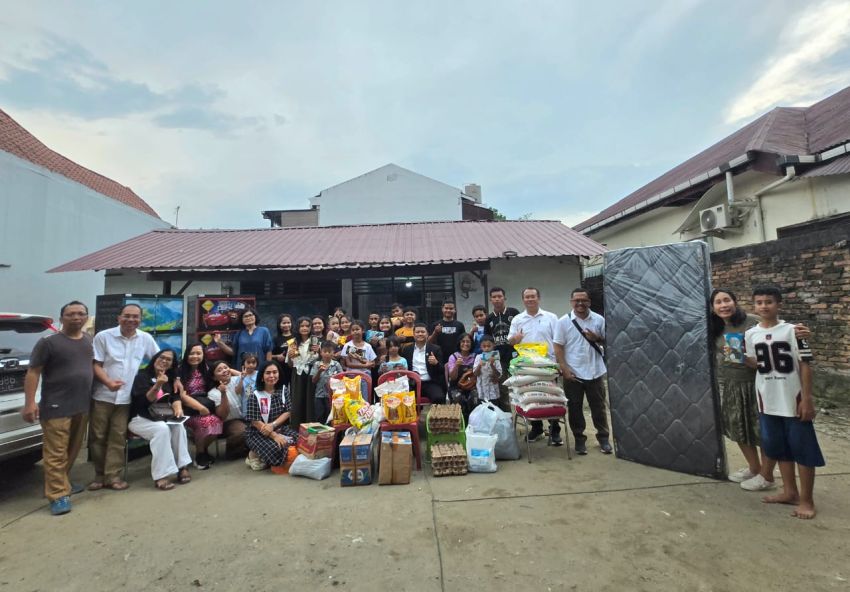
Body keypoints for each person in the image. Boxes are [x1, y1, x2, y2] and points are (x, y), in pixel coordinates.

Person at [710, 289, 810, 491]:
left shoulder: (753, 322)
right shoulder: (715, 327)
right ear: (713, 308)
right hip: (731, 384)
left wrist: (802, 334)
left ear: (735, 301)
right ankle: (754, 468)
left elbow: (779, 332)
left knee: (762, 431)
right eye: (718, 302)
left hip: (758, 383)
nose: (723, 305)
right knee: (738, 428)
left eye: (727, 300)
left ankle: (766, 474)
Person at [744, 286, 824, 519]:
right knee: (779, 450)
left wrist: (807, 398)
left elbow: (805, 364)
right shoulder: (751, 334)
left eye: (769, 302)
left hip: (793, 399)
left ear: (779, 304)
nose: (763, 306)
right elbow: (755, 363)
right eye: (759, 302)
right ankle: (790, 492)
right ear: (754, 306)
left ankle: (807, 500)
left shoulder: (793, 330)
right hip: (766, 400)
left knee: (803, 451)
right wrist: (738, 355)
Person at [22, 301, 93, 515]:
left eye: (81, 314)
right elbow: (33, 372)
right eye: (71, 314)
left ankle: (62, 483)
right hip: (56, 405)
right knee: (56, 452)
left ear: (86, 317)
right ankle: (57, 494)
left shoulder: (88, 340)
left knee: (73, 448)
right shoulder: (48, 342)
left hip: (81, 404)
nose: (76, 317)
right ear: (61, 318)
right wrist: (30, 402)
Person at [89, 303, 159, 491]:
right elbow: (96, 364)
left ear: (140, 320)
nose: (131, 320)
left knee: (118, 437)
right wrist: (108, 383)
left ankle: (113, 476)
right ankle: (99, 475)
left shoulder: (145, 338)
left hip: (126, 398)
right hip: (102, 395)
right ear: (118, 318)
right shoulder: (103, 337)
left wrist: (167, 379)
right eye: (127, 316)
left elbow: (158, 360)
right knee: (97, 436)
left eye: (135, 317)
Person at [553, 288, 612, 455]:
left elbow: (608, 341)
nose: (580, 303)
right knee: (575, 408)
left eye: (583, 300)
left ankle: (604, 438)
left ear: (589, 302)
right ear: (571, 302)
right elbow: (558, 346)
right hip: (573, 373)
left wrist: (597, 339)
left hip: (595, 371)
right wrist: (564, 368)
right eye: (576, 300)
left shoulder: (599, 320)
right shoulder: (563, 322)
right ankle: (579, 440)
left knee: (599, 407)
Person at [128, 349, 192, 490]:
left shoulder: (170, 377)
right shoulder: (142, 377)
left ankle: (182, 467)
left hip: (161, 417)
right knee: (162, 430)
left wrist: (178, 408)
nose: (164, 361)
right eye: (161, 357)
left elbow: (175, 397)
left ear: (171, 364)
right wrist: (157, 385)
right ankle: (161, 475)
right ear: (155, 358)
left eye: (168, 360)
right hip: (140, 418)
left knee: (178, 426)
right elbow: (143, 402)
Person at [508, 287, 560, 444]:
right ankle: (536, 428)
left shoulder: (551, 317)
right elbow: (510, 341)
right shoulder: (517, 319)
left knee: (551, 398)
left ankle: (554, 430)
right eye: (527, 297)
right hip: (527, 366)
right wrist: (516, 338)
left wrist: (559, 363)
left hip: (548, 365)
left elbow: (558, 341)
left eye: (533, 296)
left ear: (539, 298)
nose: (530, 299)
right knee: (530, 398)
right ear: (523, 300)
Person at [244, 361, 298, 472]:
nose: (272, 376)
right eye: (268, 373)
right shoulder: (255, 395)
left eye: (275, 372)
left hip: (279, 428)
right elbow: (254, 421)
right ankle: (253, 454)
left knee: (300, 439)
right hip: (258, 432)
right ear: (262, 377)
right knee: (276, 448)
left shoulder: (283, 390)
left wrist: (273, 426)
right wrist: (274, 435)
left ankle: (263, 455)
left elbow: (288, 411)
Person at [175, 343, 220, 469]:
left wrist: (242, 374)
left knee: (217, 422)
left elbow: (224, 368)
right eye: (192, 353)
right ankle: (200, 456)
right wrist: (200, 408)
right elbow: (182, 396)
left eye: (199, 353)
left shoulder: (206, 368)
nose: (195, 356)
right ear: (186, 355)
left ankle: (202, 448)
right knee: (205, 422)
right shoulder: (179, 371)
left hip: (205, 405)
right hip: (188, 408)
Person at [486, 287, 520, 412]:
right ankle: (507, 418)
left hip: (516, 355)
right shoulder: (489, 319)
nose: (497, 299)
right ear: (491, 299)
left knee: (521, 386)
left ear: (504, 298)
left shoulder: (514, 313)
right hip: (499, 357)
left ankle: (528, 418)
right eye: (494, 297)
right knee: (502, 388)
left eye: (499, 296)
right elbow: (487, 340)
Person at [207, 360, 247, 459]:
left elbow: (249, 377)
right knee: (244, 431)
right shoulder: (213, 393)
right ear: (214, 377)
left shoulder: (237, 380)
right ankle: (231, 452)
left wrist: (229, 370)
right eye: (219, 370)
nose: (224, 371)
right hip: (229, 422)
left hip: (247, 417)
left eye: (225, 367)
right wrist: (223, 394)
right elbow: (222, 415)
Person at [286, 316, 319, 428]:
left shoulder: (315, 340)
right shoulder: (293, 342)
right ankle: (296, 427)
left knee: (310, 400)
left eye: (307, 326)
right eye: (302, 326)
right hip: (298, 373)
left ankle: (311, 426)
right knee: (297, 400)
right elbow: (290, 365)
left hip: (311, 372)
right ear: (298, 328)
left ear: (311, 328)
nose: (304, 328)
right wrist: (290, 357)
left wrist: (318, 351)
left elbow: (319, 359)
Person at [403, 323, 446, 404]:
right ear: (413, 334)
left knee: (439, 398)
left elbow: (442, 370)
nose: (420, 334)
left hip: (430, 383)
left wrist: (436, 363)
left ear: (427, 334)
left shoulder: (435, 349)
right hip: (412, 383)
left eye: (422, 332)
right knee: (403, 398)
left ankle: (435, 416)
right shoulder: (407, 349)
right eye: (417, 332)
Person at [310, 342, 343, 423]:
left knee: (331, 416)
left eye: (329, 351)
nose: (327, 354)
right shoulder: (317, 364)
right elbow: (313, 380)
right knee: (319, 416)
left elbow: (342, 379)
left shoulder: (336, 364)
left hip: (333, 396)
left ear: (333, 353)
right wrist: (319, 371)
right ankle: (321, 434)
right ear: (321, 352)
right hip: (319, 395)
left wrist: (334, 379)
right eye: (325, 351)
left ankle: (332, 434)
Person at [446, 333, 477, 418]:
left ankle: (473, 421)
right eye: (463, 341)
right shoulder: (453, 357)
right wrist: (456, 365)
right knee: (458, 398)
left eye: (468, 342)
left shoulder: (475, 357)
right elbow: (452, 377)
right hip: (456, 386)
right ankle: (460, 422)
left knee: (475, 397)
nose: (465, 344)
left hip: (471, 386)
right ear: (459, 343)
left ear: (471, 344)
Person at [473, 335, 502, 405]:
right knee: (483, 412)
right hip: (481, 391)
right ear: (481, 347)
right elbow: (475, 374)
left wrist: (492, 365)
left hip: (493, 392)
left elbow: (499, 375)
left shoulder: (495, 358)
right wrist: (479, 365)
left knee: (494, 411)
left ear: (493, 345)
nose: (486, 348)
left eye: (489, 346)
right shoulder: (478, 357)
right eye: (484, 346)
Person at [270, 313, 295, 387]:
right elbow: (269, 355)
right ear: (279, 325)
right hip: (281, 369)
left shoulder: (297, 337)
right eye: (284, 323)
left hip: (295, 369)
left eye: (288, 322)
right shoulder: (276, 339)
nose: (286, 325)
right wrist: (277, 356)